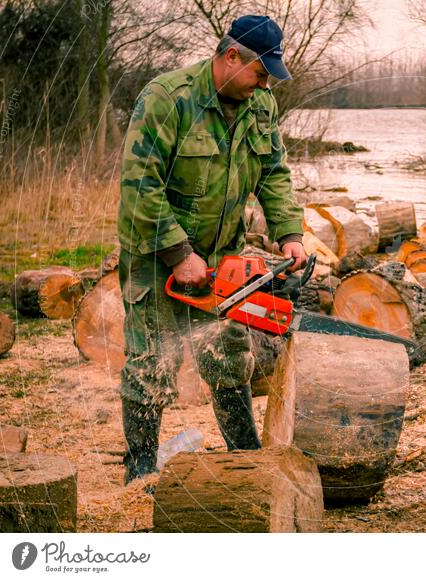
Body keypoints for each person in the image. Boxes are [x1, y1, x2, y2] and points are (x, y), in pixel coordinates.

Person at [116, 15, 307, 485]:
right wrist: (179, 254)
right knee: (152, 359)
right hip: (155, 252)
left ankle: (245, 457)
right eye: (260, 73)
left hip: (222, 255)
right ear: (230, 57)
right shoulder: (168, 99)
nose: (264, 84)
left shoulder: (260, 105)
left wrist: (290, 233)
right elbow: (140, 186)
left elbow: (274, 173)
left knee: (228, 352)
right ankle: (139, 466)